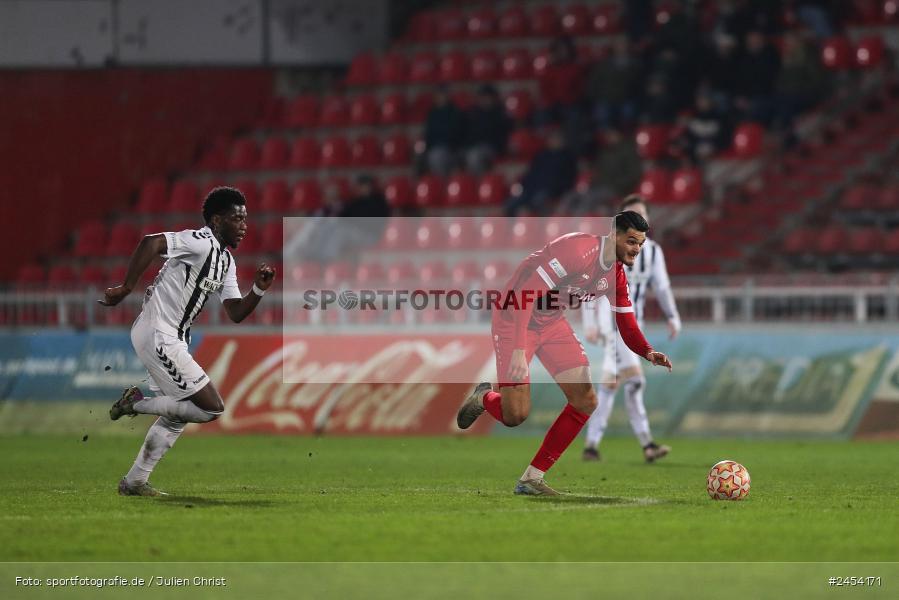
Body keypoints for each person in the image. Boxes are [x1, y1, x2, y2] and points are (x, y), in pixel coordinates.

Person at [456, 211, 673, 496]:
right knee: (515, 415)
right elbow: (525, 294)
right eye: (631, 241)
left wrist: (646, 351)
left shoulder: (616, 276)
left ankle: (531, 479)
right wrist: (520, 351)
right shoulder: (577, 250)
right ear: (614, 235)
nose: (636, 249)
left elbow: (626, 322)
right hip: (515, 318)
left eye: (641, 244)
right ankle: (485, 397)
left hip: (551, 322)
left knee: (585, 400)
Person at [99, 187, 276, 496]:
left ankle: (135, 482)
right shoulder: (200, 242)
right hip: (159, 333)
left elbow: (234, 311)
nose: (244, 226)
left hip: (169, 337)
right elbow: (151, 242)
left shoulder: (226, 261)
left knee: (177, 414)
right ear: (217, 220)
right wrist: (127, 287)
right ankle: (136, 404)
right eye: (238, 219)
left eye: (246, 219)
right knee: (211, 408)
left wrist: (258, 290)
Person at [581, 196, 681, 463]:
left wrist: (672, 316)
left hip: (632, 325)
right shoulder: (607, 252)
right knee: (635, 380)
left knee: (611, 385)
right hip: (610, 323)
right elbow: (587, 285)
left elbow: (661, 287)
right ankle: (647, 443)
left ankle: (591, 445)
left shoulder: (653, 252)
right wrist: (590, 324)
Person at [504, 129, 577, 217]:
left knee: (538, 201)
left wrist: (555, 189)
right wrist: (524, 185)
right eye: (552, 138)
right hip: (532, 189)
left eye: (557, 138)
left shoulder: (567, 158)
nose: (554, 141)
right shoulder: (542, 156)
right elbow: (531, 174)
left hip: (551, 191)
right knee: (512, 203)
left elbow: (567, 179)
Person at [463, 84, 512, 176]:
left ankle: (480, 184)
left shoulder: (500, 113)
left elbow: (501, 136)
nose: (485, 100)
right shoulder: (474, 113)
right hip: (474, 147)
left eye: (487, 97)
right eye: (482, 97)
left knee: (474, 156)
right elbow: (469, 134)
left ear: (493, 98)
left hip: (492, 147)